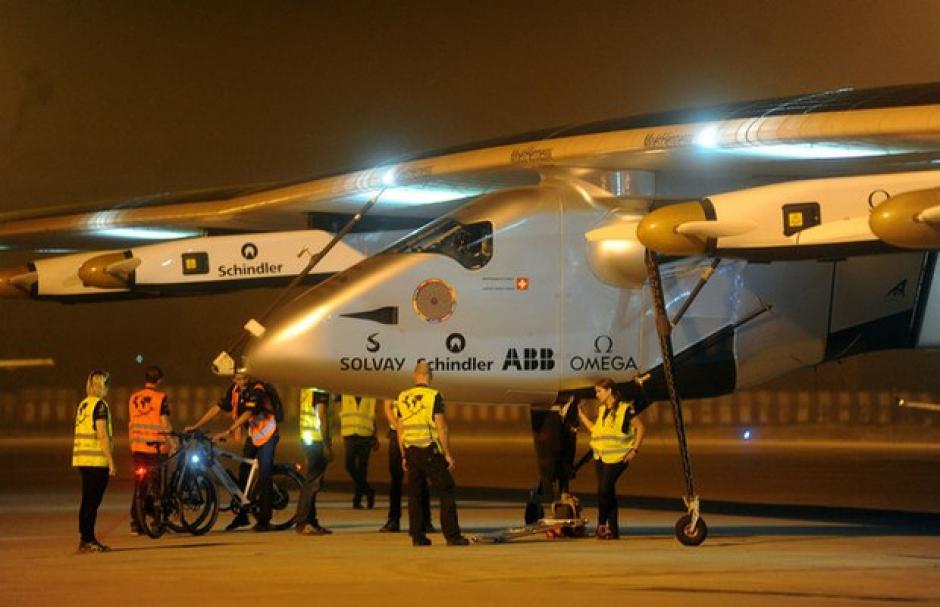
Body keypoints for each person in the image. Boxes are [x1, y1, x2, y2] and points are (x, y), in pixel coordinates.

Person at [186, 370, 280, 532]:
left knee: (264, 474)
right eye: (238, 378)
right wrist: (196, 425)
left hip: (268, 433)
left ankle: (264, 520)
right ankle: (243, 515)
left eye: (245, 378)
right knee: (243, 471)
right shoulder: (235, 390)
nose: (242, 381)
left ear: (250, 377)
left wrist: (228, 431)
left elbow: (249, 412)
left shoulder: (257, 389)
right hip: (253, 434)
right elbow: (218, 407)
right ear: (233, 378)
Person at [395, 359, 468, 546]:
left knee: (415, 494)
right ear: (430, 376)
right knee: (446, 488)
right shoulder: (434, 395)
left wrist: (403, 454)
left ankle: (417, 536)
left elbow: (400, 429)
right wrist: (447, 454)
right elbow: (441, 427)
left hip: (411, 450)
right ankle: (452, 535)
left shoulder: (402, 396)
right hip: (429, 449)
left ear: (415, 375)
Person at [577, 376, 646, 540]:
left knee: (604, 490)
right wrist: (581, 414)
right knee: (608, 492)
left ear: (609, 391)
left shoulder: (624, 409)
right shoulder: (603, 410)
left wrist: (634, 451)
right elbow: (595, 430)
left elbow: (641, 427)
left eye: (599, 391)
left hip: (618, 457)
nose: (596, 395)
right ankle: (613, 530)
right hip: (601, 456)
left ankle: (601, 525)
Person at [128, 365, 175, 535]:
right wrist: (173, 440)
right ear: (160, 380)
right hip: (156, 448)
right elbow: (164, 422)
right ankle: (157, 521)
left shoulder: (133, 397)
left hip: (137, 447)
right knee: (157, 485)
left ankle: (136, 522)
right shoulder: (161, 397)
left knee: (139, 484)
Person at [72, 369, 116, 553]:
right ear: (102, 385)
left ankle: (85, 537)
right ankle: (88, 539)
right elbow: (102, 435)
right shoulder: (100, 406)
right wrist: (111, 461)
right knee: (92, 502)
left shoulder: (84, 404)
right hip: (95, 461)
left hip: (82, 459)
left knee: (87, 501)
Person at [379, 397, 432, 533]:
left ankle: (425, 520)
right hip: (397, 433)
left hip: (417, 434)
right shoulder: (394, 382)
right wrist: (398, 427)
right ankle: (393, 519)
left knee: (421, 479)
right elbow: (387, 408)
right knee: (396, 480)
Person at [295, 387, 333, 536]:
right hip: (317, 441)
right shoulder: (320, 389)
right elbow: (321, 416)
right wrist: (327, 445)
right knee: (312, 483)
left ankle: (311, 521)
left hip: (307, 438)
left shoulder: (306, 389)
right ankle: (304, 522)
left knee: (311, 482)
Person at [339, 394, 378, 509]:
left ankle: (357, 500)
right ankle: (368, 491)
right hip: (350, 434)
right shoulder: (345, 393)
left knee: (362, 469)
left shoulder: (370, 394)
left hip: (365, 435)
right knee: (349, 465)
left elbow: (373, 415)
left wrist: (375, 436)